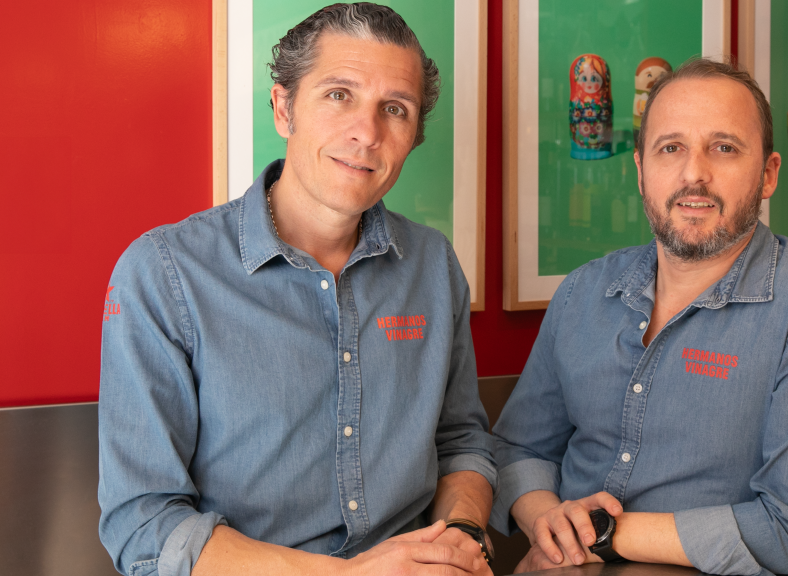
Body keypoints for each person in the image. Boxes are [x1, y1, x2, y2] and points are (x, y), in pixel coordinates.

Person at [98, 4, 495, 576]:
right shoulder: (164, 274)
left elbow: (461, 441)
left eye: (395, 109)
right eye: (339, 95)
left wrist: (460, 536)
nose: (367, 132)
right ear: (284, 108)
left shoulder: (431, 264)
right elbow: (144, 525)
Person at [490, 57, 788, 576]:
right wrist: (549, 522)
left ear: (768, 174)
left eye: (723, 148)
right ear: (640, 169)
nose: (694, 173)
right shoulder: (582, 291)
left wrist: (602, 534)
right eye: (670, 148)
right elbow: (518, 447)